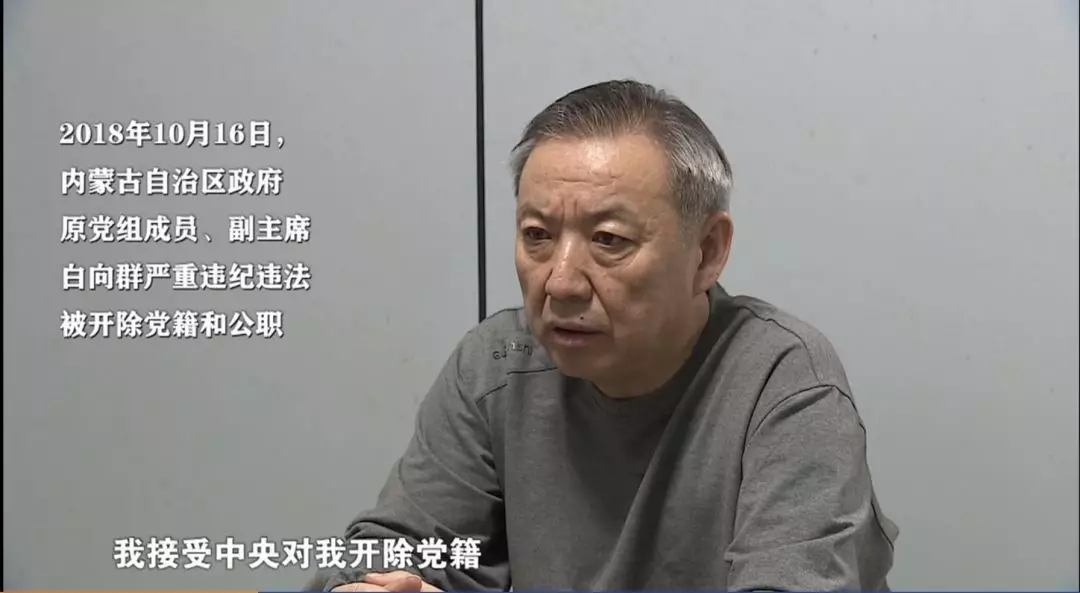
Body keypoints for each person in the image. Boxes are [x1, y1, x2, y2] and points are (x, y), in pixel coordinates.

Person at [313, 79, 898, 591]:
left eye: (609, 240)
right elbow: (394, 550)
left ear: (707, 251)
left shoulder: (782, 381)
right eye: (537, 236)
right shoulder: (498, 365)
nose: (561, 282)